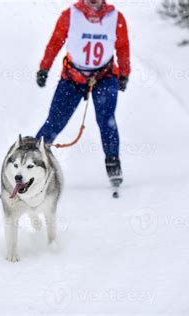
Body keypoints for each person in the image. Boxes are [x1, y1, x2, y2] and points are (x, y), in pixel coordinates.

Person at [35, 0, 130, 187]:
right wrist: (44, 68)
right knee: (55, 121)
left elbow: (122, 46)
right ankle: (32, 159)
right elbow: (55, 42)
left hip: (105, 76)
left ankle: (113, 162)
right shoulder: (70, 15)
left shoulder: (115, 18)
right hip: (72, 78)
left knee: (107, 121)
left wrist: (124, 74)